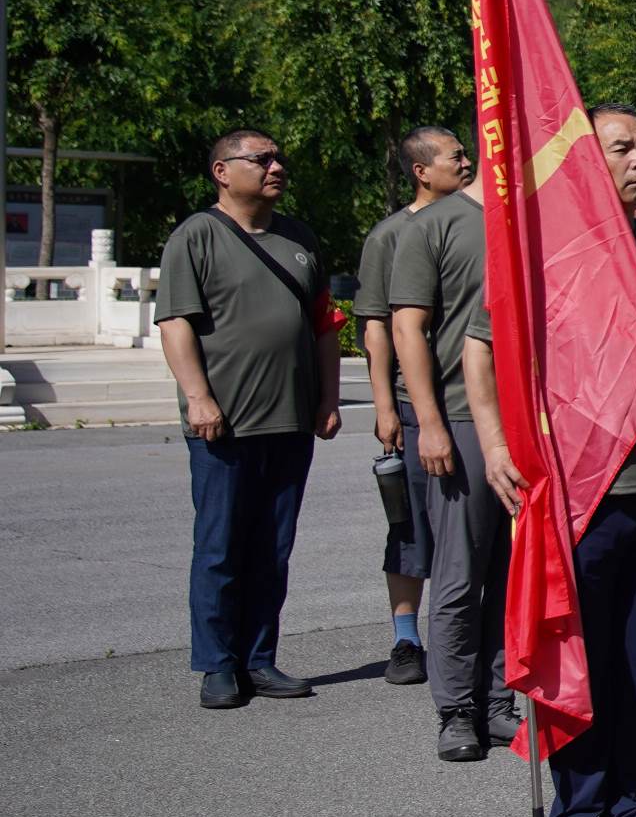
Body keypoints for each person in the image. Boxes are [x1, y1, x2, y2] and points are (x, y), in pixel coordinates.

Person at [474, 109, 636, 817]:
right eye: (623, 148)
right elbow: (481, 356)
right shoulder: (545, 252)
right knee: (581, 654)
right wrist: (491, 446)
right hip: (578, 493)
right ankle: (577, 807)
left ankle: (631, 798)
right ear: (585, 160)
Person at [158, 127, 343, 709]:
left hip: (289, 421)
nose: (276, 166)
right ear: (222, 171)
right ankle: (218, 665)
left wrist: (328, 398)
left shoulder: (299, 238)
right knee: (220, 547)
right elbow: (175, 324)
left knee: (273, 549)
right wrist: (197, 396)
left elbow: (323, 327)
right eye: (261, 159)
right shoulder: (197, 236)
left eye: (279, 157)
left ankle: (260, 658)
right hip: (225, 423)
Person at [392, 128, 514, 760]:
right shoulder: (433, 225)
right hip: (462, 422)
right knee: (461, 576)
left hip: (528, 429)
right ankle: (456, 709)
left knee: (512, 577)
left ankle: (497, 701)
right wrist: (429, 422)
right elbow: (407, 326)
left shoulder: (532, 221)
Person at [353, 127, 458, 685]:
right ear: (421, 170)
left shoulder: (482, 226)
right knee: (410, 525)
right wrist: (384, 406)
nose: (466, 162)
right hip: (414, 406)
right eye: (455, 156)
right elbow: (376, 327)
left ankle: (462, 637)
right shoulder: (392, 235)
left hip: (470, 402)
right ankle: (405, 638)